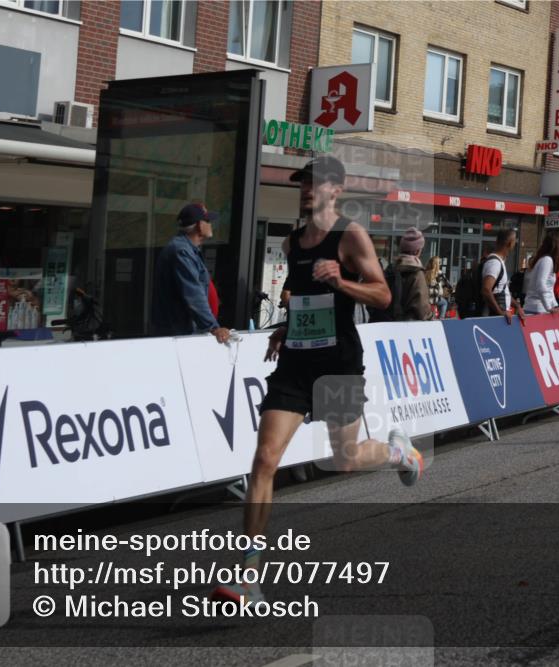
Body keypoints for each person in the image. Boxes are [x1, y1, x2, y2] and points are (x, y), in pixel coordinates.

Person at [212, 156, 423, 604]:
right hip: (295, 363)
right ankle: (249, 575)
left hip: (339, 363)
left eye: (315, 183)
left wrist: (343, 282)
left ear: (336, 190)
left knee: (344, 459)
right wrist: (289, 327)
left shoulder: (350, 236)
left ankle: (398, 452)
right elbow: (306, 297)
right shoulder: (293, 243)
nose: (306, 189)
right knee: (265, 459)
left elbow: (384, 294)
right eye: (302, 183)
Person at [151, 203, 231, 343]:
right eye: (208, 221)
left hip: (180, 332)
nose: (211, 224)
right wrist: (213, 327)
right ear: (200, 225)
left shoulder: (187, 250)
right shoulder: (182, 251)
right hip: (177, 336)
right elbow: (193, 293)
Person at [389, 227, 432, 321]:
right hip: (410, 328)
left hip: (389, 326)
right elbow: (422, 309)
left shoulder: (391, 269)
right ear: (417, 251)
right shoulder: (416, 273)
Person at [482, 229, 525, 322]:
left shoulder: (499, 261)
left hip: (500, 317)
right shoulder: (494, 263)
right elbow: (486, 290)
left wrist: (517, 305)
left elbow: (501, 290)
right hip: (496, 319)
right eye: (514, 242)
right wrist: (500, 312)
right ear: (510, 244)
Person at [523, 232, 559, 316]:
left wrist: (555, 306)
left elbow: (549, 288)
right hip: (536, 309)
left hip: (540, 308)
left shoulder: (546, 260)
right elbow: (541, 284)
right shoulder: (547, 260)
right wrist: (550, 307)